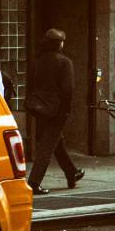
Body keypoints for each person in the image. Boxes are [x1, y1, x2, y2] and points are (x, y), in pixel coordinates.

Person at [25, 28, 84, 195]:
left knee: (55, 141)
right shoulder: (64, 62)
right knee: (47, 146)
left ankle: (72, 172)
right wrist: (65, 111)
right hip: (57, 110)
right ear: (59, 43)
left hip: (39, 108)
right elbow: (68, 90)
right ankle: (34, 182)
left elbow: (31, 85)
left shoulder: (37, 61)